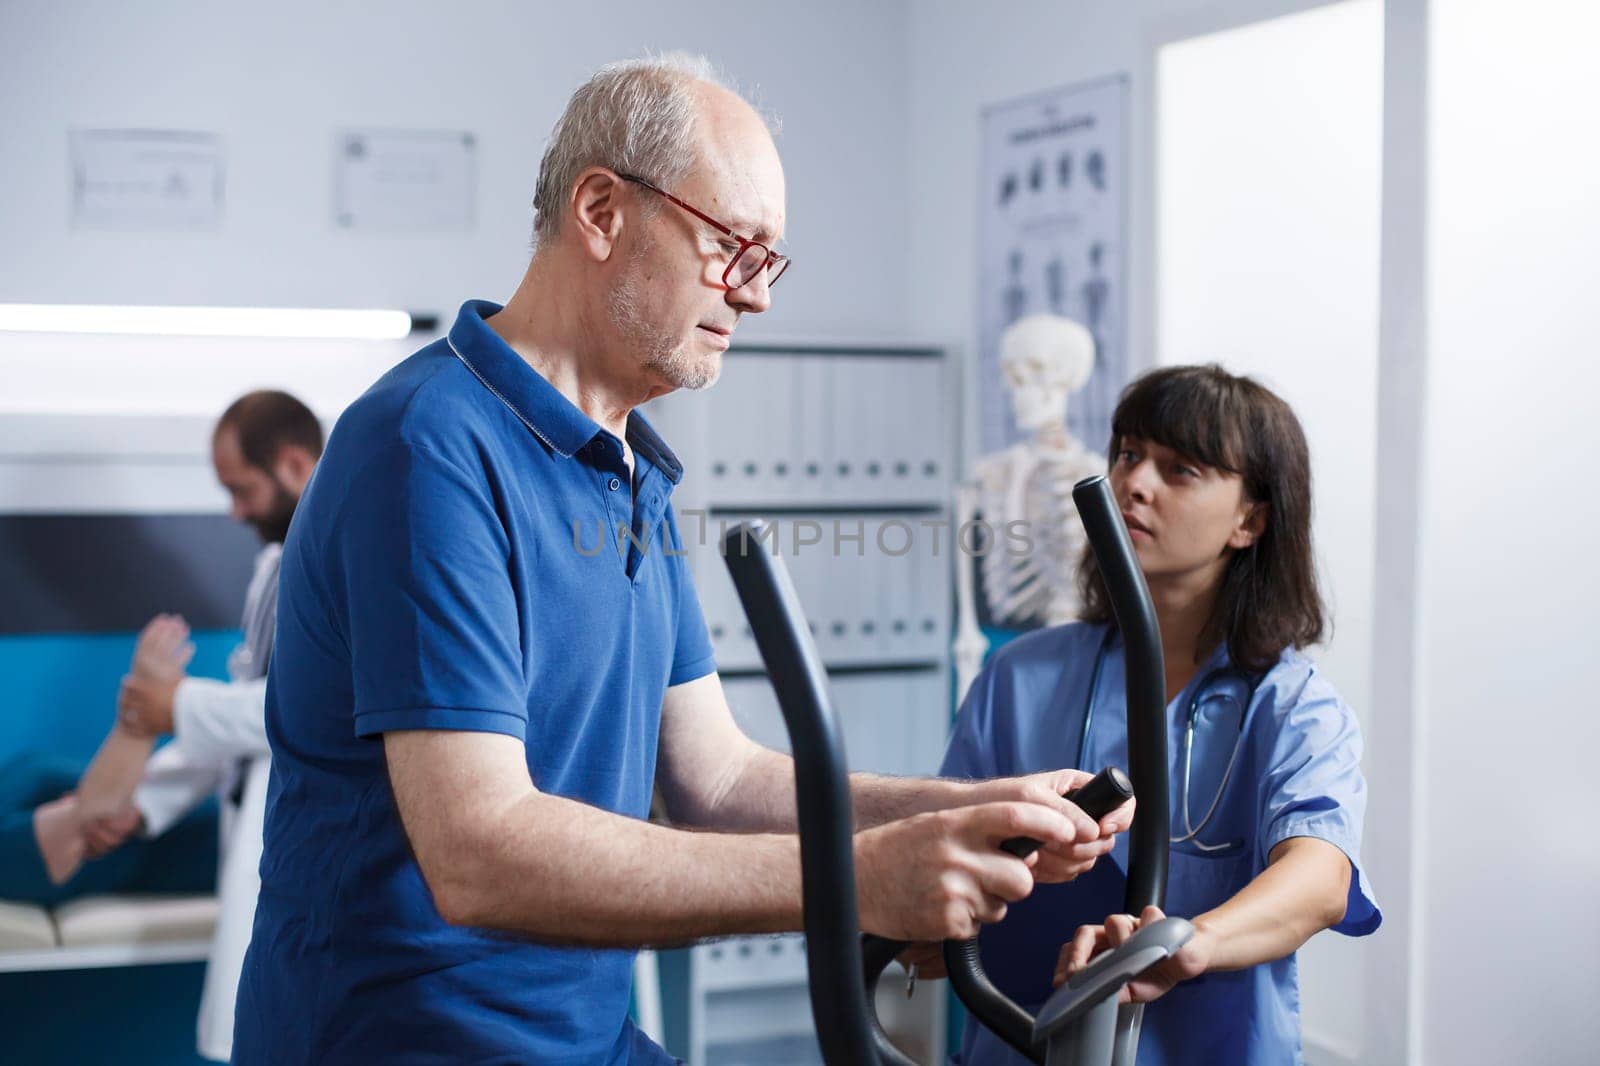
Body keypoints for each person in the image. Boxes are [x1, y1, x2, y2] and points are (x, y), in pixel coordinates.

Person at [233, 53, 1133, 1065]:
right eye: (732, 247)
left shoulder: (628, 468)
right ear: (603, 209)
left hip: (578, 1035)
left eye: (769, 260)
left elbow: (714, 777)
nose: (755, 298)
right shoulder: (426, 445)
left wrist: (971, 809)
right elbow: (479, 853)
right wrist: (860, 877)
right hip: (405, 1043)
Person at [939, 364, 1381, 1065]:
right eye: (1128, 455)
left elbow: (1320, 879)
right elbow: (947, 867)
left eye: (1181, 470)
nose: (1134, 484)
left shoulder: (1294, 707)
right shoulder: (1020, 677)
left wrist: (1186, 943)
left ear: (1250, 519)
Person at [0, 389, 321, 1063]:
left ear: (293, 464)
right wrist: (141, 805)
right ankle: (92, 811)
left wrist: (171, 706)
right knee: (38, 779)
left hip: (309, 842)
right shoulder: (275, 565)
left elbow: (319, 711)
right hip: (251, 829)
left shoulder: (349, 558)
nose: (233, 511)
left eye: (241, 490)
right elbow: (243, 714)